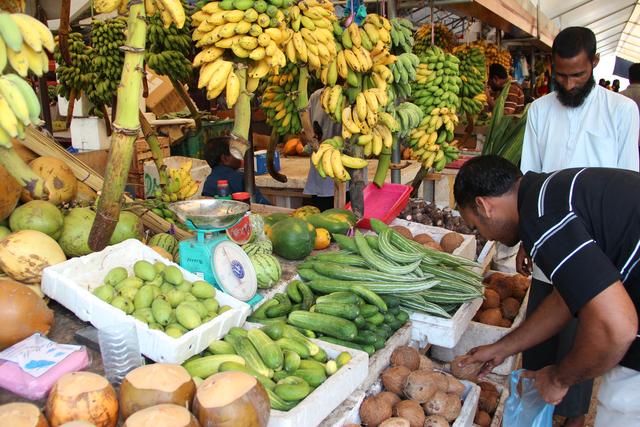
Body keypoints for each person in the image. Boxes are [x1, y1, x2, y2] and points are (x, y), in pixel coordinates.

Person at [453, 155, 639, 426]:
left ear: (483, 206)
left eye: (476, 226)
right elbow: (570, 295)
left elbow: (616, 328)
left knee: (621, 407)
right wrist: (504, 347)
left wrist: (559, 378)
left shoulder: (542, 220)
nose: (487, 237)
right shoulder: (548, 193)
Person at [519, 26, 639, 427]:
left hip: (598, 249)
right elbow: (528, 176)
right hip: (547, 246)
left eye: (578, 75)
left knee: (584, 339)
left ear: (595, 65)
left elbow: (628, 182)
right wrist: (526, 238)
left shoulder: (622, 111)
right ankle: (535, 412)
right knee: (540, 338)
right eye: (561, 75)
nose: (569, 84)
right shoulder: (538, 111)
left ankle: (573, 421)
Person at [202, 135, 271, 204]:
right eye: (236, 152)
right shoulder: (241, 178)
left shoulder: (208, 181)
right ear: (225, 159)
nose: (241, 155)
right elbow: (263, 204)